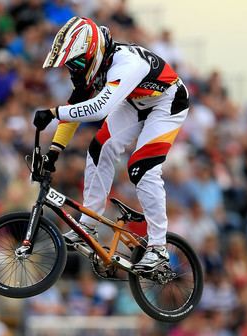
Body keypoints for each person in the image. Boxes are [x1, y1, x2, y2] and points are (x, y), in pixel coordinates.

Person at [33, 16, 189, 272]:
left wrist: (52, 113)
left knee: (142, 168)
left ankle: (159, 247)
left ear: (93, 51)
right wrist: (54, 150)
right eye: (70, 64)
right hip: (135, 102)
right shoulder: (94, 66)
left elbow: (98, 109)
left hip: (167, 103)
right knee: (99, 148)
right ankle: (88, 223)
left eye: (77, 61)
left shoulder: (125, 64)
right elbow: (76, 109)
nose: (74, 68)